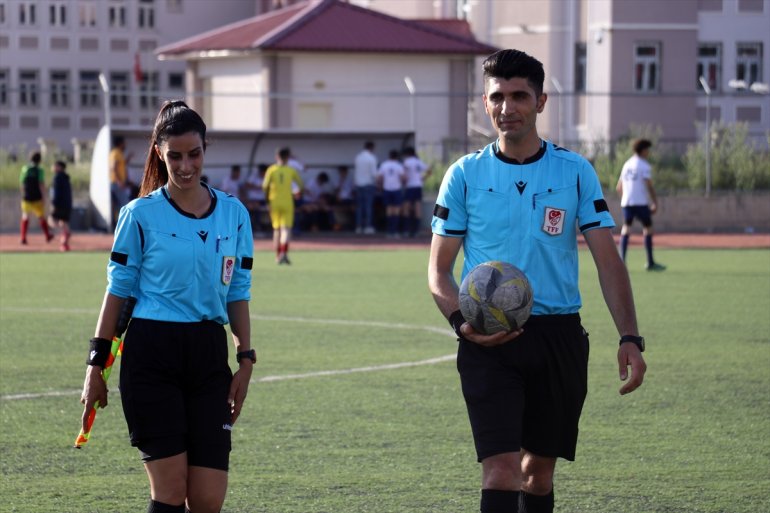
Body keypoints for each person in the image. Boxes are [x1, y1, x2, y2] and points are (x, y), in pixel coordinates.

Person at [427, 49, 647, 513]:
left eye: (519, 96)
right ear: (485, 103)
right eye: (497, 97)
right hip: (486, 340)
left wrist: (630, 336)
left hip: (558, 336)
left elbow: (609, 262)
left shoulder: (574, 172)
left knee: (537, 477)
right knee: (502, 471)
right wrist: (460, 324)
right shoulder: (464, 175)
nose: (508, 107)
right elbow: (438, 270)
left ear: (541, 101)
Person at [79, 100, 255, 513]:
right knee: (172, 493)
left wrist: (245, 360)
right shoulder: (139, 215)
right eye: (175, 156)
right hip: (152, 356)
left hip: (209, 358)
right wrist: (94, 367)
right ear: (160, 152)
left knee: (208, 500)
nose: (186, 165)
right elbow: (117, 292)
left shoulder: (234, 214)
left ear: (205, 148)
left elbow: (238, 291)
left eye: (194, 153)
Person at [616, 139, 666, 271]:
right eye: (648, 149)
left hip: (627, 202)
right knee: (648, 229)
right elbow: (649, 186)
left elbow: (618, 187)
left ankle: (621, 262)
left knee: (626, 228)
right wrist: (655, 202)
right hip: (640, 203)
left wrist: (624, 200)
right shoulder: (644, 165)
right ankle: (650, 262)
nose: (649, 152)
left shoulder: (626, 164)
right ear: (643, 150)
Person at [263, 147, 304, 264]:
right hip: (287, 202)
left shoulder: (271, 170)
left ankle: (277, 256)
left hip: (274, 202)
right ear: (288, 157)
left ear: (277, 156)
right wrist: (296, 193)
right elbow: (301, 185)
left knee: (276, 229)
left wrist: (267, 202)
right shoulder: (291, 170)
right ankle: (284, 253)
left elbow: (264, 186)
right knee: (285, 229)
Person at [19, 150, 54, 245]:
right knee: (41, 217)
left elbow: (22, 183)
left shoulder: (25, 168)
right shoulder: (39, 170)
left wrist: (23, 194)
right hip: (37, 198)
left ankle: (23, 237)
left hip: (26, 198)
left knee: (25, 216)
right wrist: (44, 197)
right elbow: (41, 184)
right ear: (39, 160)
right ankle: (47, 235)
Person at [401, 146, 431, 237]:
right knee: (418, 208)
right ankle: (416, 230)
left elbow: (404, 175)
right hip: (418, 186)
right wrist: (422, 179)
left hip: (410, 186)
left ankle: (406, 230)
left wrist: (404, 182)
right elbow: (429, 171)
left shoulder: (407, 161)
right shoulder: (418, 161)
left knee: (406, 207)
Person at [376, 149, 406, 238]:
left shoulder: (384, 165)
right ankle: (395, 231)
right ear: (397, 157)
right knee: (396, 211)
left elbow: (379, 178)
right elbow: (403, 178)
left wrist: (380, 187)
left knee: (389, 211)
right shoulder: (399, 166)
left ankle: (389, 231)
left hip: (387, 189)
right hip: (396, 190)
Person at [353, 141, 378, 234]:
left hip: (358, 184)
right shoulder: (372, 158)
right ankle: (368, 226)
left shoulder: (358, 157)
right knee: (368, 206)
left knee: (359, 207)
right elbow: (374, 174)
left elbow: (356, 171)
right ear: (372, 148)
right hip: (368, 184)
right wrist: (378, 183)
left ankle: (358, 227)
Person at [48, 160, 73, 251]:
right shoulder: (66, 177)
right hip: (67, 204)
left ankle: (65, 234)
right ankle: (64, 243)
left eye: (55, 165)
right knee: (64, 222)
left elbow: (56, 192)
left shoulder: (57, 178)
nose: (53, 167)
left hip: (59, 204)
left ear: (59, 167)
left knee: (51, 220)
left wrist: (54, 203)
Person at [110, 135, 134, 226]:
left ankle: (119, 223)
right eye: (124, 143)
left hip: (117, 183)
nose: (125, 145)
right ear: (120, 143)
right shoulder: (116, 153)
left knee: (119, 204)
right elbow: (113, 168)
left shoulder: (118, 153)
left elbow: (122, 165)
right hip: (116, 183)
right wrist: (119, 182)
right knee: (125, 204)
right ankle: (123, 225)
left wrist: (129, 158)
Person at [244, 164, 268, 234]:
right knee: (252, 206)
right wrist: (257, 187)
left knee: (256, 206)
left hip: (264, 200)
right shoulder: (254, 176)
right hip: (253, 199)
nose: (262, 174)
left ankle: (260, 226)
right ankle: (254, 226)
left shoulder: (268, 176)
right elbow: (247, 185)